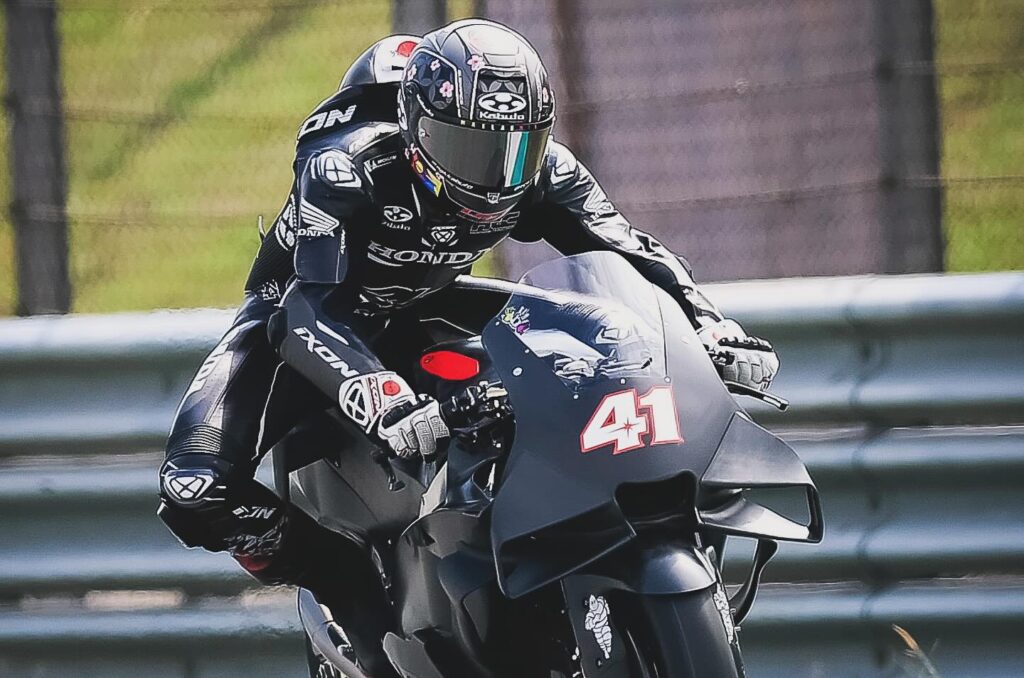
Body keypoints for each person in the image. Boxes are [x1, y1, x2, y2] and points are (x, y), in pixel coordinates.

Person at [157, 20, 779, 675]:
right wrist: (379, 395)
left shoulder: (545, 171)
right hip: (307, 316)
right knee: (194, 488)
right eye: (471, 148)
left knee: (611, 340)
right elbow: (308, 309)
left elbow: (630, 252)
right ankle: (348, 592)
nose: (496, 176)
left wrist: (709, 327)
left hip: (436, 300)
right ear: (417, 133)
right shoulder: (346, 167)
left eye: (516, 148)